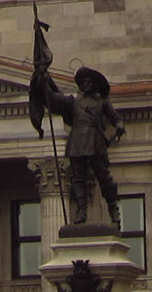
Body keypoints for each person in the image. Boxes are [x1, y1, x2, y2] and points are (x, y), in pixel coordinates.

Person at [33, 63, 126, 227]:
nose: (87, 84)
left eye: (90, 81)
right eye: (84, 81)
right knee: (78, 178)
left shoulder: (102, 103)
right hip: (77, 141)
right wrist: (43, 80)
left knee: (103, 175)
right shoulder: (73, 102)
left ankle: (113, 206)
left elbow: (116, 119)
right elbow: (53, 99)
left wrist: (116, 129)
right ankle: (81, 210)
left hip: (96, 140)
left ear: (95, 84)